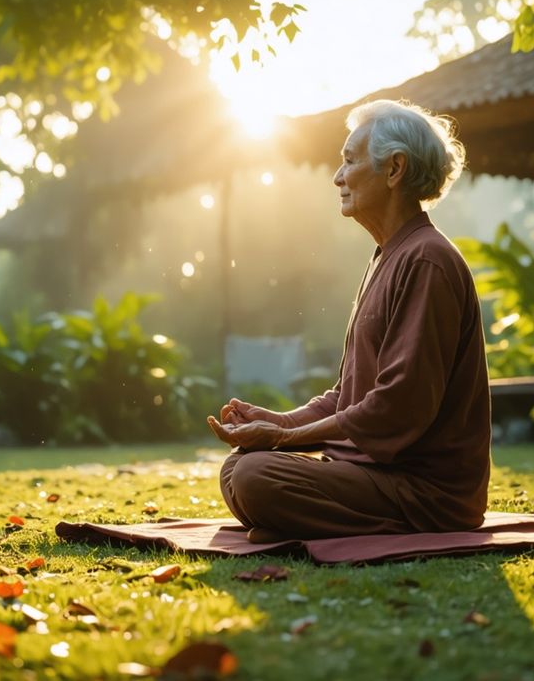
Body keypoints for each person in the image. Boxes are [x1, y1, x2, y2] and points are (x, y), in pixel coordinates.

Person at [207, 99, 491, 543]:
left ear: (394, 169)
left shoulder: (427, 260)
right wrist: (279, 423)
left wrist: (284, 440)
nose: (337, 177)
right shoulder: (388, 256)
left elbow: (397, 407)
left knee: (255, 477)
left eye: (349, 161)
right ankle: (303, 521)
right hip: (369, 476)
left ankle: (327, 525)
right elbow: (348, 395)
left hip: (426, 492)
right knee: (239, 466)